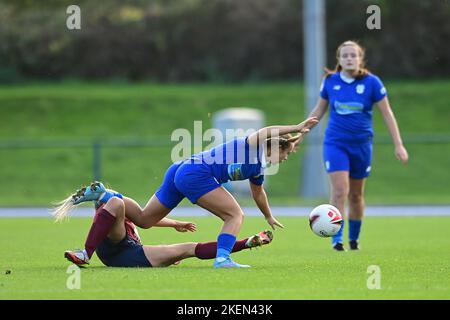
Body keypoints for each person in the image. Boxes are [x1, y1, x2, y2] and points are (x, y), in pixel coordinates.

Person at [53, 116, 318, 268]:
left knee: (145, 220)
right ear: (276, 147)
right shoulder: (251, 146)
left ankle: (105, 196)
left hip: (181, 170)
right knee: (235, 214)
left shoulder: (258, 168)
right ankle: (223, 258)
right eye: (287, 152)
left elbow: (259, 194)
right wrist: (297, 126)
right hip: (194, 173)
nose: (286, 158)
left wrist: (269, 216)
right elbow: (265, 131)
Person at [304, 40, 409, 251]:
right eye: (345, 55)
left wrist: (399, 144)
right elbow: (318, 112)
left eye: (353, 55)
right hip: (335, 144)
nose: (349, 58)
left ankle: (353, 239)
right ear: (339, 60)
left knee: (356, 195)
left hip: (361, 146)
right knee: (340, 191)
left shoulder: (372, 83)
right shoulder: (330, 81)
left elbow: (387, 114)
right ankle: (337, 239)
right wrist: (298, 136)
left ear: (360, 58)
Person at [55, 193, 273, 268]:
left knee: (188, 248)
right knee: (115, 203)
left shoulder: (121, 206)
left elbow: (146, 219)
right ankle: (85, 253)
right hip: (118, 248)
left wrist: (175, 224)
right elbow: (116, 206)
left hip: (128, 252)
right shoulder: (113, 206)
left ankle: (246, 243)